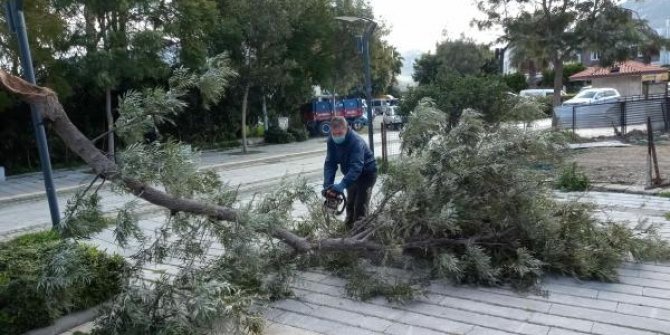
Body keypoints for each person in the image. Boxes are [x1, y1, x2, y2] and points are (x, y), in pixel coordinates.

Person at [323, 116, 377, 228]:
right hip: (350, 174)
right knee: (350, 204)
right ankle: (347, 231)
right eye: (334, 134)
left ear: (346, 128)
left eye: (340, 133)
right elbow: (330, 163)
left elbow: (357, 167)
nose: (337, 136)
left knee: (360, 206)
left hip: (366, 174)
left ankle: (360, 235)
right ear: (331, 131)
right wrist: (328, 184)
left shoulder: (356, 141)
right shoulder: (331, 141)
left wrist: (342, 184)